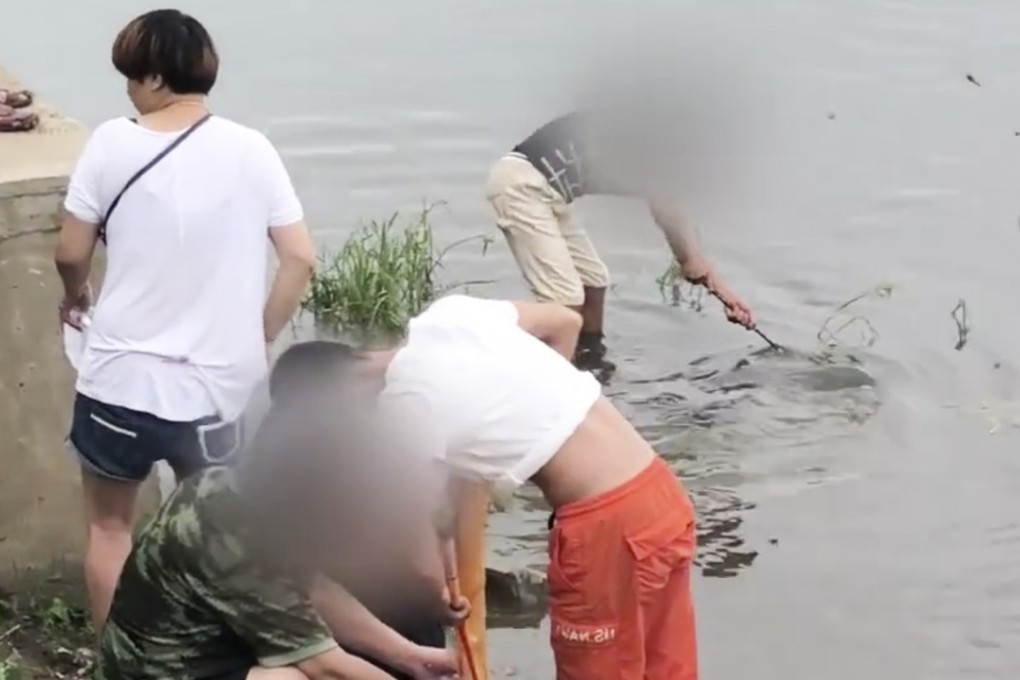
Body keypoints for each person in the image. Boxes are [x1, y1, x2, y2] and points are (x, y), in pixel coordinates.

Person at [54, 8, 316, 631]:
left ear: (150, 78)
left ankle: (121, 661)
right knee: (222, 536)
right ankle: (215, 656)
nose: (127, 91)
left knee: (112, 528)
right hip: (219, 392)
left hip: (119, 382)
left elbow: (70, 251)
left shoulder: (112, 143)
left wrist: (76, 294)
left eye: (129, 77)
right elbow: (299, 258)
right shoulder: (253, 149)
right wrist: (260, 336)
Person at [330, 294, 700, 680]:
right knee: (666, 669)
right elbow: (565, 323)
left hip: (606, 526)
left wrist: (440, 596)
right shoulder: (451, 315)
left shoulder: (404, 401)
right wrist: (546, 414)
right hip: (658, 492)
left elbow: (418, 536)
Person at [97, 344, 463, 680]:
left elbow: (313, 589)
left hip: (209, 653)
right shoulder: (231, 533)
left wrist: (410, 656)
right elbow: (326, 666)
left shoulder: (245, 490)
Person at [485, 111, 755, 375]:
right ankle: (533, 368)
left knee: (594, 281)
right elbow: (667, 212)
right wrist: (691, 262)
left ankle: (589, 362)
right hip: (520, 185)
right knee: (564, 299)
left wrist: (722, 292)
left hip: (547, 192)